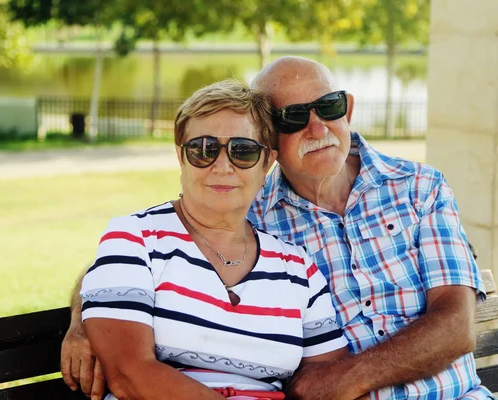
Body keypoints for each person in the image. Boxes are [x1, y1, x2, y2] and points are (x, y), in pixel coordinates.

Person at [61, 57, 490, 399]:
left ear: (349, 109)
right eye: (294, 117)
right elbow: (137, 250)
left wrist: (340, 381)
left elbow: (455, 325)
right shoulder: (249, 211)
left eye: (330, 106)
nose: (318, 128)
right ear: (272, 145)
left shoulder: (419, 188)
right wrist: (84, 319)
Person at [73, 79, 348, 400]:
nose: (221, 166)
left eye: (242, 151)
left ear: (267, 163)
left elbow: (330, 377)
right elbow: (130, 375)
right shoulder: (136, 240)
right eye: (202, 149)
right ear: (180, 157)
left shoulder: (298, 268)